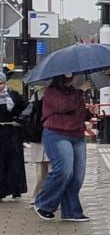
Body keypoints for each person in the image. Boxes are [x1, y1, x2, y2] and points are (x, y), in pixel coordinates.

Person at [33, 73, 93, 222]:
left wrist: (88, 113)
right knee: (64, 170)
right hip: (56, 133)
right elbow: (63, 106)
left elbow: (78, 112)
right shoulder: (50, 92)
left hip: (77, 135)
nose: (74, 77)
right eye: (71, 75)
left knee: (77, 175)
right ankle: (43, 203)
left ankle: (71, 211)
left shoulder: (73, 92)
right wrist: (81, 91)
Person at [0, 70, 29, 200]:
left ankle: (16, 189)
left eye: (0, 83)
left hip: (12, 132)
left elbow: (28, 107)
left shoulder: (13, 95)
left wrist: (19, 119)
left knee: (14, 161)